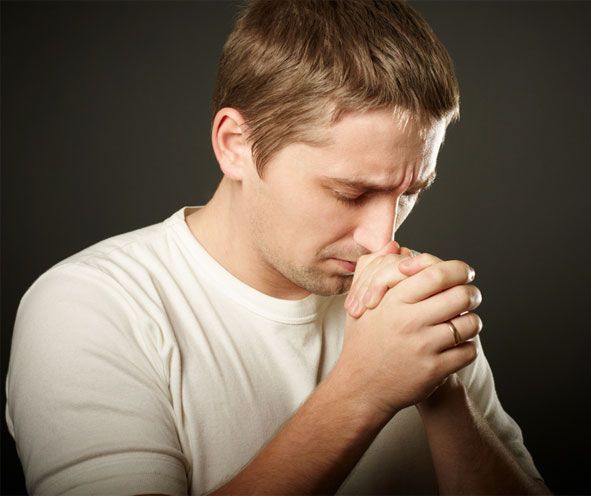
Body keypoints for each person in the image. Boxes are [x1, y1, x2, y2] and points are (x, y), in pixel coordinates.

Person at [5, 1, 551, 494]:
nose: (382, 238)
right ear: (235, 146)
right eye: (350, 191)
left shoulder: (413, 309)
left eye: (409, 192)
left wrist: (444, 392)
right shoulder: (89, 307)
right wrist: (362, 391)